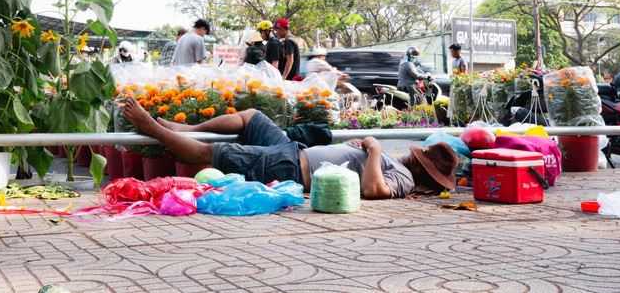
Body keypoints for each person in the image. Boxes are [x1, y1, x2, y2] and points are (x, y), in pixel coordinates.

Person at [121, 95, 459, 198]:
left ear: (421, 168)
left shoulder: (406, 180)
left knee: (214, 155)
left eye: (420, 157)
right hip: (294, 150)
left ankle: (151, 126)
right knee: (251, 116)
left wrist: (371, 148)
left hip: (292, 169)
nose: (414, 154)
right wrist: (361, 147)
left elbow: (373, 189)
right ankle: (185, 127)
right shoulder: (399, 164)